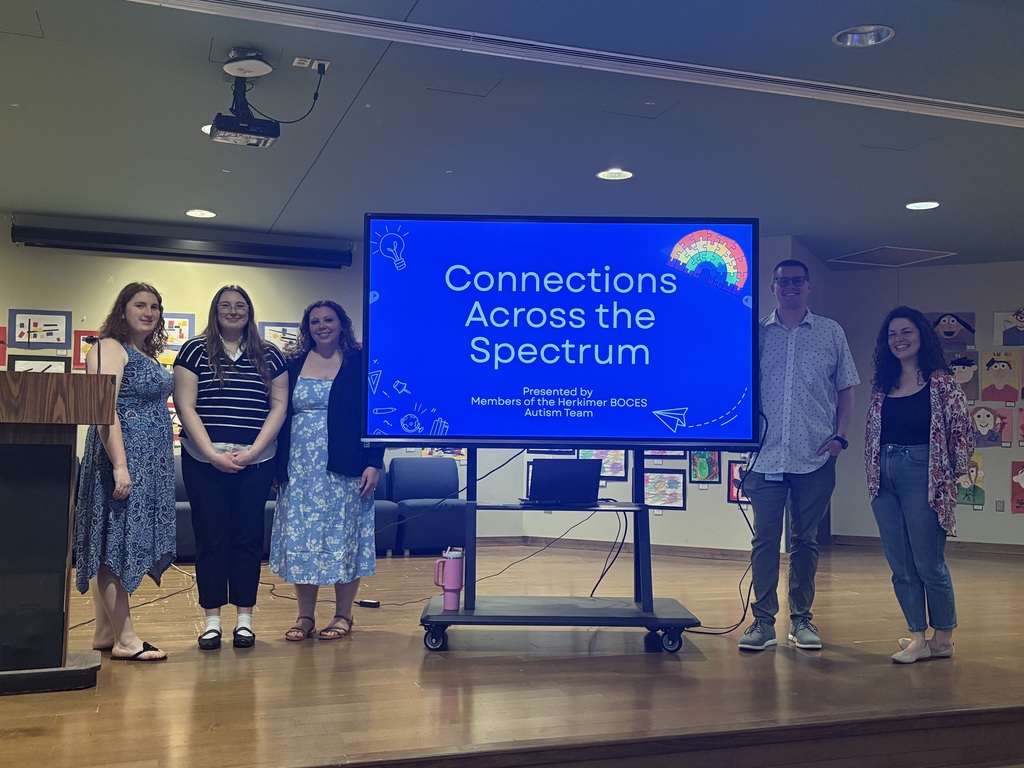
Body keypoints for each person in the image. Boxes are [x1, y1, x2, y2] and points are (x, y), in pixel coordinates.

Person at [738, 260, 860, 652]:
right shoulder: (756, 333)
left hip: (816, 456)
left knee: (805, 540)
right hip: (765, 457)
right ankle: (762, 623)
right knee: (764, 541)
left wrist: (840, 438)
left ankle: (802, 620)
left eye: (797, 281)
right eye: (782, 281)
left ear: (808, 286)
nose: (790, 287)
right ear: (772, 287)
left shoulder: (830, 331)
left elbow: (846, 388)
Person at [173, 286, 288, 650]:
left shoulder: (271, 354)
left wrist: (254, 452)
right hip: (203, 461)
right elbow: (185, 406)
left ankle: (244, 621)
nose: (233, 311)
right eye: (226, 305)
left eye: (240, 306)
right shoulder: (194, 350)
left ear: (249, 312)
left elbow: (278, 407)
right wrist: (211, 454)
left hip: (257, 462)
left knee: (247, 537)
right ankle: (211, 622)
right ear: (215, 310)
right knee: (211, 538)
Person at [270, 300, 384, 641]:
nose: (322, 326)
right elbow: (279, 414)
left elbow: (376, 415)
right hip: (300, 468)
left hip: (346, 466)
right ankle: (305, 616)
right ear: (307, 328)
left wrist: (374, 462)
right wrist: (276, 466)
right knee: (302, 539)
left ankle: (343, 615)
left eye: (329, 320)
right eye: (315, 321)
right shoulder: (292, 363)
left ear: (341, 323)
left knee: (344, 537)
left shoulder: (360, 362)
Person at [865, 306, 974, 663]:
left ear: (921, 335)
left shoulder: (942, 381)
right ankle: (917, 637)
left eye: (906, 332)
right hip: (883, 474)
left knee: (929, 563)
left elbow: (961, 429)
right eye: (892, 334)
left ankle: (943, 639)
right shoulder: (884, 384)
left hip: (924, 472)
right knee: (900, 564)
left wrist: (955, 474)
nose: (899, 339)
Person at [74, 282, 175, 662]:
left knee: (112, 543)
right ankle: (127, 640)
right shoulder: (108, 347)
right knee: (114, 543)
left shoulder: (142, 351)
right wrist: (120, 465)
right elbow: (105, 411)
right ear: (123, 309)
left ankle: (106, 631)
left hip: (146, 463)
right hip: (119, 459)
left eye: (155, 306)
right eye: (140, 305)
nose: (148, 312)